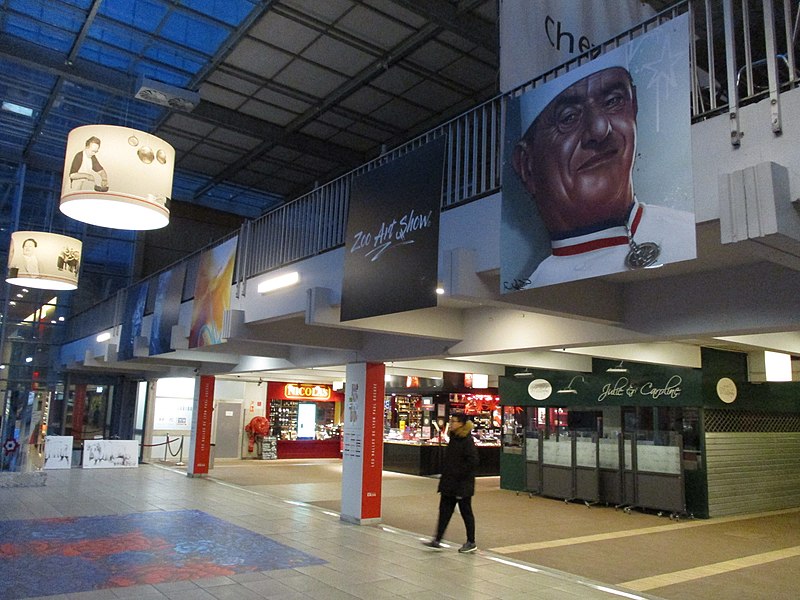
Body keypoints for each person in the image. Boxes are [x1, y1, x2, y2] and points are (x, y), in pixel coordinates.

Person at [510, 65, 695, 288]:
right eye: (568, 118)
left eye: (612, 101)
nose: (600, 129)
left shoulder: (685, 233)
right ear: (526, 166)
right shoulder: (535, 285)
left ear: (634, 108)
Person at [423, 412, 479, 553]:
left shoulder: (466, 440)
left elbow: (472, 462)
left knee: (466, 512)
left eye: (454, 421)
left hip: (461, 485)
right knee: (444, 511)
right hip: (449, 483)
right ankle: (437, 539)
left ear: (461, 423)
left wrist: (459, 476)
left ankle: (471, 542)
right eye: (451, 421)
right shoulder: (454, 438)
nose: (452, 423)